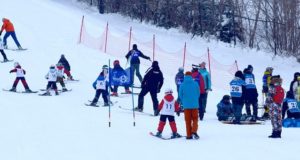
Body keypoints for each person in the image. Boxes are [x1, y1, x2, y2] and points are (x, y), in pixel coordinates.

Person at [179, 71, 200, 139]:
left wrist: (183, 102)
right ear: (191, 76)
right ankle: (194, 130)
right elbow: (198, 93)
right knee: (195, 119)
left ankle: (189, 135)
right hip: (195, 105)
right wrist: (195, 99)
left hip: (186, 106)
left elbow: (180, 95)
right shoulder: (196, 83)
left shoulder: (182, 84)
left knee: (187, 120)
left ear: (185, 76)